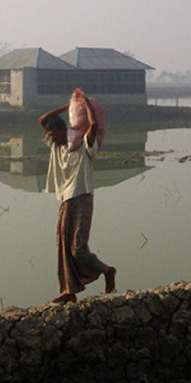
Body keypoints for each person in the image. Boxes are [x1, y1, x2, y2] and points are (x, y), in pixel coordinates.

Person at [39, 96, 116, 303]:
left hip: (82, 198)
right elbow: (42, 119)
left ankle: (107, 271)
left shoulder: (84, 147)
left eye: (52, 133)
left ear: (61, 131)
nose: (50, 137)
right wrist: (71, 105)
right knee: (63, 247)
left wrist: (86, 105)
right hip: (66, 200)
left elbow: (93, 125)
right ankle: (68, 292)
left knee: (78, 248)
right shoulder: (57, 147)